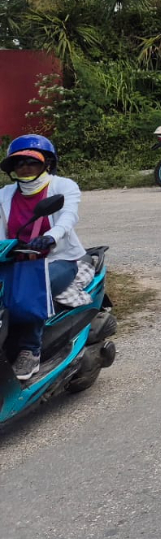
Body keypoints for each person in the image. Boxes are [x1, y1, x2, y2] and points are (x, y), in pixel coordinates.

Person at [1, 134, 85, 381]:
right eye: (19, 163)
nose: (25, 167)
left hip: (57, 260)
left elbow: (68, 216)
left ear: (47, 163)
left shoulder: (63, 186)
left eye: (32, 161)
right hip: (15, 260)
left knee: (31, 289)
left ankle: (30, 350)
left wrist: (51, 236)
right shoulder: (5, 194)